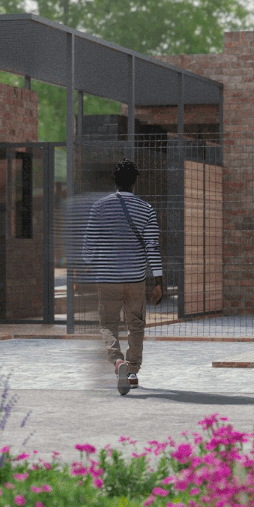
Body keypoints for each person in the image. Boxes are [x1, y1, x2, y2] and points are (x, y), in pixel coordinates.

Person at [79, 159, 163, 396]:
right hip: (135, 277)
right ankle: (133, 370)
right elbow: (152, 247)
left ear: (114, 181)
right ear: (134, 181)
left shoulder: (99, 208)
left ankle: (118, 362)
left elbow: (88, 247)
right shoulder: (146, 210)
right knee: (136, 323)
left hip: (107, 277)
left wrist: (88, 263)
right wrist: (158, 280)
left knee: (108, 323)